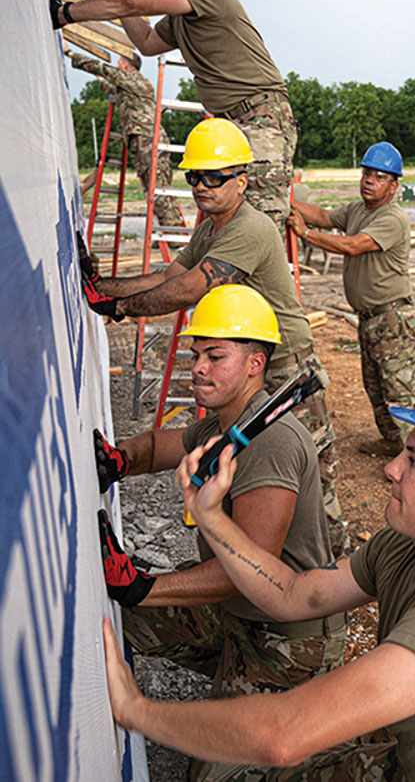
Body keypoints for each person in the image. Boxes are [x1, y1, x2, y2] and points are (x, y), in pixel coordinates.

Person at [103, 364, 415, 782]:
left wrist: (136, 711)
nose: (390, 469)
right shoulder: (405, 545)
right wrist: (211, 518)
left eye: (413, 461)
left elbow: (284, 734)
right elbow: (295, 594)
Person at [97, 284, 346, 782]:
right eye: (196, 355)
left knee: (212, 777)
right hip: (233, 615)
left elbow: (245, 570)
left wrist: (142, 586)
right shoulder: (226, 423)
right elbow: (156, 447)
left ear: (255, 364)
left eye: (216, 356)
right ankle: (235, 685)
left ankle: (319, 735)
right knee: (121, 622)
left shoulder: (270, 441)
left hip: (283, 642)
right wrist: (118, 459)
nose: (199, 368)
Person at [80, 118, 344, 555]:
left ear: (240, 182)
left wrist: (119, 308)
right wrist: (104, 287)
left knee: (306, 472)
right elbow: (169, 275)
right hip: (243, 354)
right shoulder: (210, 226)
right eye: (193, 177)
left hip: (282, 366)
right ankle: (255, 559)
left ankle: (321, 575)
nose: (201, 186)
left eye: (213, 177)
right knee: (236, 449)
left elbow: (188, 289)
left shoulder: (250, 228)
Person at [51, 0, 296, 233]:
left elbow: (129, 3)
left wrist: (62, 13)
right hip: (237, 122)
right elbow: (147, 43)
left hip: (261, 120)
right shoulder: (184, 13)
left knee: (261, 232)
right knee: (231, 231)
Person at [287, 142, 415, 458]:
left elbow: (352, 245)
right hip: (369, 317)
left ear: (394, 186)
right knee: (375, 387)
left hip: (392, 319)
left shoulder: (392, 218)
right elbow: (322, 215)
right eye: (366, 173)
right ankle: (393, 441)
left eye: (378, 176)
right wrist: (287, 201)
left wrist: (305, 234)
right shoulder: (357, 210)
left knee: (401, 391)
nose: (369, 180)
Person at [64, 44, 183, 227]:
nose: (118, 67)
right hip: (146, 139)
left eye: (120, 63)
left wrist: (69, 53)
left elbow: (103, 70)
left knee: (156, 188)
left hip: (146, 139)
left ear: (127, 66)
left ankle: (172, 232)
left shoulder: (133, 80)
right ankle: (170, 229)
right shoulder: (127, 85)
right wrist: (99, 76)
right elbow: (106, 81)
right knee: (157, 187)